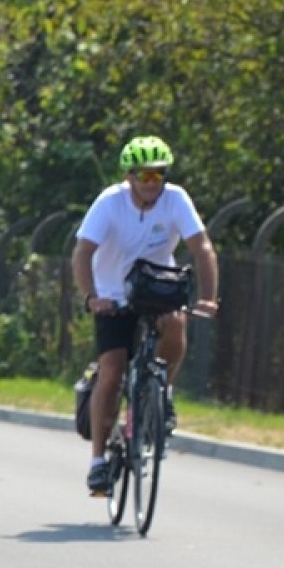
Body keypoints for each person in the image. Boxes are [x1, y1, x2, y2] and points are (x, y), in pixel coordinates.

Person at [73, 136, 219, 494]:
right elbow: (81, 254)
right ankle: (97, 461)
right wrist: (92, 297)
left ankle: (161, 393)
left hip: (157, 287)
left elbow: (202, 248)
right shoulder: (109, 203)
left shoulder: (176, 199)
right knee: (112, 368)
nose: (152, 184)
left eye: (159, 176)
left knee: (175, 323)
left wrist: (210, 298)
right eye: (145, 176)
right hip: (112, 294)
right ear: (130, 176)